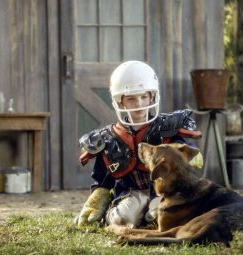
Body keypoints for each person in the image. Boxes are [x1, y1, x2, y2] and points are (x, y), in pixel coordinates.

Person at [76, 61, 203, 228]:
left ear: (152, 96)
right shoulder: (109, 138)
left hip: (164, 191)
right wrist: (98, 197)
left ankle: (150, 216)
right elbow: (103, 177)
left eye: (144, 96)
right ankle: (117, 213)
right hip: (131, 193)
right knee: (122, 220)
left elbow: (182, 153)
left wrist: (187, 154)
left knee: (163, 216)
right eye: (131, 99)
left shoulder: (169, 128)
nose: (139, 104)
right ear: (119, 101)